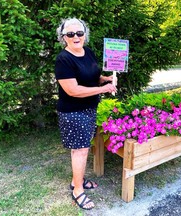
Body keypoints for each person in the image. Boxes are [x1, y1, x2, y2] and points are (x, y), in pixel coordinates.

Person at [55, 18, 117, 210]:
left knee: (83, 148)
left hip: (89, 108)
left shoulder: (87, 52)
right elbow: (73, 90)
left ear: (85, 35)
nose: (76, 37)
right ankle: (77, 191)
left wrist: (105, 78)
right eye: (70, 34)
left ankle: (77, 181)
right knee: (80, 150)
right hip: (73, 112)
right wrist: (104, 89)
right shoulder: (63, 59)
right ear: (63, 37)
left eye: (79, 33)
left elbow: (91, 76)